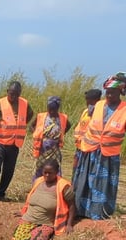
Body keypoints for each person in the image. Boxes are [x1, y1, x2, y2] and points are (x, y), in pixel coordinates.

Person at [72, 72, 126, 220]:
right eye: (107, 92)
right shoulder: (96, 106)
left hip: (108, 155)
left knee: (102, 185)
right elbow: (83, 126)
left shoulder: (124, 110)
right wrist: (79, 146)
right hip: (89, 151)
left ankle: (97, 214)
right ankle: (79, 212)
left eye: (112, 93)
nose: (109, 96)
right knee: (84, 182)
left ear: (120, 93)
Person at [0, 81, 33, 204]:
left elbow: (30, 114)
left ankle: (1, 192)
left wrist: (21, 124)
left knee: (9, 170)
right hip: (0, 142)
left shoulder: (25, 104)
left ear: (20, 93)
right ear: (7, 91)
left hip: (15, 143)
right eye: (11, 93)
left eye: (16, 94)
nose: (13, 96)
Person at [31, 96, 71, 181]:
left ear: (58, 108)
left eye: (54, 109)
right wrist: (36, 134)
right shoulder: (41, 116)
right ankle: (37, 186)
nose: (51, 111)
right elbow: (32, 125)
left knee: (55, 166)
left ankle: (56, 188)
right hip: (42, 147)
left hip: (55, 147)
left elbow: (68, 126)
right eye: (50, 109)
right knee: (39, 167)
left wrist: (60, 134)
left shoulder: (63, 117)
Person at [72, 89, 102, 177]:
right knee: (77, 171)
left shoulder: (99, 112)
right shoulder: (85, 111)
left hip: (91, 148)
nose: (86, 101)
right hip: (80, 146)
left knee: (87, 172)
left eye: (88, 99)